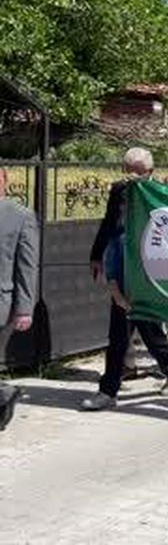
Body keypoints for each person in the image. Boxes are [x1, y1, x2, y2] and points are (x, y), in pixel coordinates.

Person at [82, 148, 168, 411]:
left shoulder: (159, 193)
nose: (131, 175)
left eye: (137, 172)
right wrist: (96, 255)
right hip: (122, 266)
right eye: (127, 169)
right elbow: (108, 222)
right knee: (118, 334)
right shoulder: (119, 190)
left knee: (150, 331)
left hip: (149, 269)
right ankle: (108, 391)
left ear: (149, 172)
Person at [0, 169, 38, 431]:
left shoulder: (20, 216)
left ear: (4, 182)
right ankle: (4, 393)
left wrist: (24, 309)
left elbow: (27, 266)